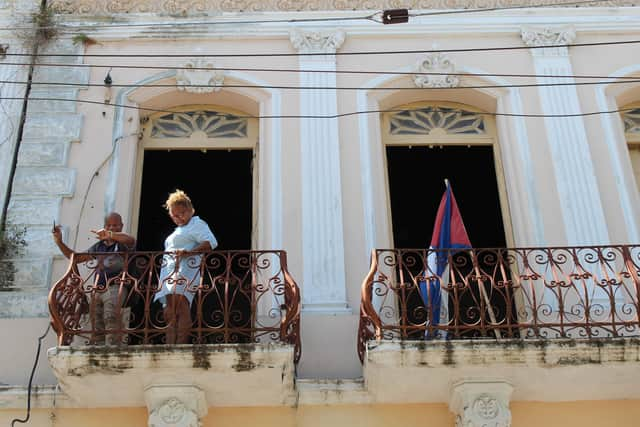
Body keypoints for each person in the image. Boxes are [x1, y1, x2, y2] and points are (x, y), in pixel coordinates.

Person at [52, 212, 136, 345]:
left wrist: (111, 235)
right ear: (104, 226)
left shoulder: (123, 244)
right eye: (109, 225)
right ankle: (98, 349)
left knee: (111, 317)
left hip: (115, 286)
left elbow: (130, 240)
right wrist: (59, 242)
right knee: (96, 322)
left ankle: (111, 350)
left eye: (115, 225)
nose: (112, 228)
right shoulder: (99, 246)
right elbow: (76, 258)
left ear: (121, 226)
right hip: (97, 289)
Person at [154, 190, 218, 344]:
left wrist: (189, 252)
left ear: (191, 210)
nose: (178, 218)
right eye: (174, 215)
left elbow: (210, 243)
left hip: (185, 271)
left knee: (181, 306)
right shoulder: (179, 230)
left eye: (182, 213)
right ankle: (170, 345)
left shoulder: (197, 224)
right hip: (169, 271)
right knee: (169, 310)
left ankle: (180, 346)